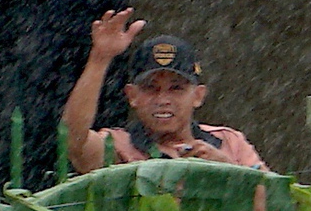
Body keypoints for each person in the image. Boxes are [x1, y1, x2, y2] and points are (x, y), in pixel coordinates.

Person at [62, 10, 264, 175]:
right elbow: (72, 141)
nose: (163, 99)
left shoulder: (230, 142)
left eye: (176, 88)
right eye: (151, 88)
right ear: (132, 96)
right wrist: (100, 58)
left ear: (198, 96)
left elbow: (277, 210)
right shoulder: (117, 145)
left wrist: (229, 172)